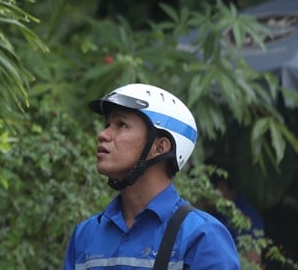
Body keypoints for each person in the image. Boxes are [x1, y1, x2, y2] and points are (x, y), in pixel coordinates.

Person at [64, 83, 240, 269]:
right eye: (107, 125)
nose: (103, 134)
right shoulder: (86, 235)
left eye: (121, 125)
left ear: (160, 147)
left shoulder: (200, 236)